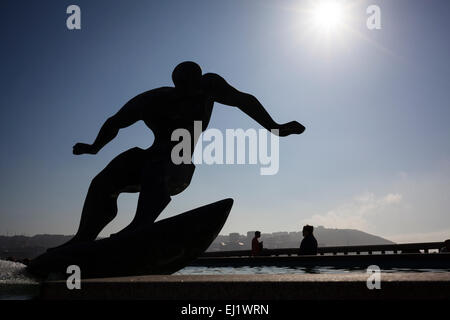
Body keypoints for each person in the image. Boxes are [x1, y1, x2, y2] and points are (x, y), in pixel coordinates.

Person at [51, 61, 306, 250]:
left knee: (160, 161)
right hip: (154, 159)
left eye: (196, 87)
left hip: (179, 167)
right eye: (186, 89)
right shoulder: (154, 99)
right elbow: (115, 121)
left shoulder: (209, 87)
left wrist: (275, 127)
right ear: (176, 85)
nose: (193, 95)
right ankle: (84, 236)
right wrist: (95, 147)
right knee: (107, 177)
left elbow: (242, 100)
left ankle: (139, 226)